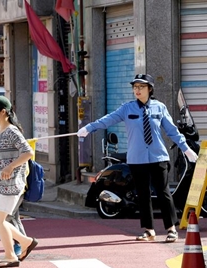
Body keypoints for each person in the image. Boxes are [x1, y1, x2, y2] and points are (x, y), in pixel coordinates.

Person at [78, 73, 198, 243]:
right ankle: (149, 231)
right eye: (135, 87)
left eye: (141, 87)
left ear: (150, 89)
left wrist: (186, 149)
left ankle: (171, 229)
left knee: (163, 193)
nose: (137, 90)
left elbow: (172, 131)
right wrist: (89, 127)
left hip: (158, 156)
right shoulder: (127, 109)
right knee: (143, 194)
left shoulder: (160, 107)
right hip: (137, 159)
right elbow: (108, 120)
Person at [0, 96, 38, 268]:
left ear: (3, 112)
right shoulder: (1, 132)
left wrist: (10, 167)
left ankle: (11, 255)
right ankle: (26, 241)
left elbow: (28, 152)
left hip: (11, 183)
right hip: (0, 184)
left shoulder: (12, 131)